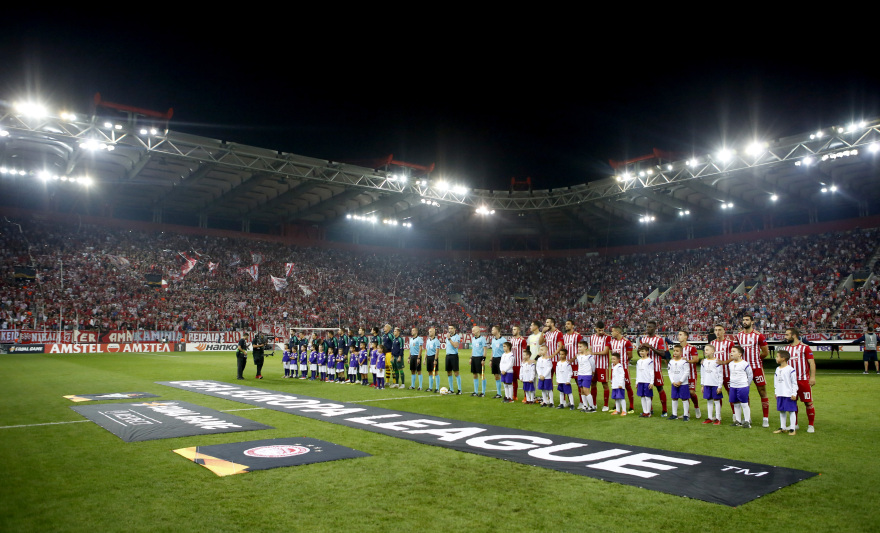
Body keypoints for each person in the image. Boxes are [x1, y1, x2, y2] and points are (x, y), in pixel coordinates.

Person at [736, 313, 771, 428]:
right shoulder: (739, 335)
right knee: (745, 394)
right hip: (744, 370)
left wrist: (756, 360)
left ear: (752, 322)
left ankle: (765, 418)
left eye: (747, 320)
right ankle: (748, 417)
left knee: (762, 391)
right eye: (743, 320)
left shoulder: (758, 335)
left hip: (756, 368)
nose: (745, 322)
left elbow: (765, 352)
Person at [784, 327, 817, 433]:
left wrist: (812, 377)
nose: (785, 337)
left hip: (803, 380)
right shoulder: (786, 349)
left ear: (794, 335)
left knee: (808, 403)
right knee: (792, 403)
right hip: (790, 381)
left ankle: (811, 425)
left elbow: (811, 362)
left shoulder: (805, 348)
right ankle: (795, 424)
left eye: (787, 335)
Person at [639, 320, 669, 417]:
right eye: (647, 326)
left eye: (650, 327)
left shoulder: (659, 339)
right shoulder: (643, 339)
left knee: (659, 388)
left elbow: (663, 353)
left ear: (655, 328)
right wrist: (639, 349)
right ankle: (649, 410)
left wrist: (651, 347)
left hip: (656, 368)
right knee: (647, 389)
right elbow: (639, 354)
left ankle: (664, 411)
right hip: (645, 369)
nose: (648, 329)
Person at [710, 324, 736, 416]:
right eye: (716, 330)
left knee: (731, 394)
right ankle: (718, 415)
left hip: (728, 373)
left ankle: (735, 414)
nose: (718, 332)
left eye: (720, 330)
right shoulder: (712, 343)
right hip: (716, 374)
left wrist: (724, 362)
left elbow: (733, 357)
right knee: (716, 395)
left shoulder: (729, 343)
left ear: (724, 331)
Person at [610, 325, 635, 413]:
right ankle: (616, 406)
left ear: (617, 332)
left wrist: (624, 362)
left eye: (612, 331)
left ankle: (631, 406)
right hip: (614, 368)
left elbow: (630, 355)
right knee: (615, 385)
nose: (611, 333)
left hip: (623, 367)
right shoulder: (612, 342)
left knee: (627, 386)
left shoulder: (626, 342)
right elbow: (611, 353)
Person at [589, 321, 613, 411]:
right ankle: (594, 404)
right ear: (596, 329)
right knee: (593, 384)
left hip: (603, 365)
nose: (601, 332)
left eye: (602, 330)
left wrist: (593, 353)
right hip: (593, 365)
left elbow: (606, 351)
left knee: (605, 384)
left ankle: (606, 405)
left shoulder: (607, 337)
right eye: (599, 330)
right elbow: (590, 349)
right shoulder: (592, 337)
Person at [773, 350, 798, 435]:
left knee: (791, 411)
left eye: (777, 356)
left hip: (788, 393)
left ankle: (792, 428)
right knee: (782, 411)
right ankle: (782, 427)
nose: (776, 358)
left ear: (783, 358)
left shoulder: (790, 369)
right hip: (780, 393)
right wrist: (776, 391)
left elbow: (794, 382)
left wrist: (794, 393)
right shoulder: (777, 369)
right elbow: (776, 382)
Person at [678, 330, 701, 418]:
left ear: (686, 337)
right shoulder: (678, 348)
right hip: (681, 375)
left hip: (691, 374)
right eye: (678, 335)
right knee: (684, 393)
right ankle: (686, 413)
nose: (679, 336)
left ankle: (696, 408)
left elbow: (696, 360)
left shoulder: (691, 348)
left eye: (681, 335)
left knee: (691, 392)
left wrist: (687, 360)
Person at [728, 346, 753, 428]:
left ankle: (747, 421)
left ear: (739, 354)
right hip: (733, 386)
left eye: (734, 351)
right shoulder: (730, 364)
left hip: (742, 386)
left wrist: (746, 384)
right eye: (731, 351)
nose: (731, 353)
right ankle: (738, 421)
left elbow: (750, 375)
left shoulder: (745, 364)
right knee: (735, 404)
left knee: (744, 403)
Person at [700, 344, 723, 425]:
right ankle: (710, 418)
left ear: (712, 351)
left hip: (715, 384)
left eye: (707, 350)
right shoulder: (704, 362)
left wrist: (720, 386)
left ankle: (718, 418)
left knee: (716, 401)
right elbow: (702, 374)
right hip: (707, 384)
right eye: (705, 350)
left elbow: (720, 375)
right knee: (709, 401)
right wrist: (702, 385)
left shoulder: (717, 362)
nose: (705, 351)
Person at [667, 345, 690, 421]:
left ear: (681, 352)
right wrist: (673, 382)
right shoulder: (671, 361)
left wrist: (680, 381)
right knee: (674, 398)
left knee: (684, 398)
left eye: (677, 351)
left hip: (683, 383)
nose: (675, 352)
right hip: (674, 383)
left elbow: (687, 372)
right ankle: (674, 414)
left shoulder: (684, 362)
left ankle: (686, 415)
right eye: (674, 351)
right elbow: (669, 372)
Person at [576, 340, 596, 413]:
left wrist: (593, 372)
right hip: (580, 374)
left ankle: (592, 407)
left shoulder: (589, 356)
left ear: (585, 348)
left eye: (580, 347)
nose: (579, 348)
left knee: (586, 390)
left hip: (587, 374)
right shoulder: (578, 356)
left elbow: (593, 364)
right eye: (578, 346)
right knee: (582, 391)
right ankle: (585, 406)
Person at [509, 325, 528, 402]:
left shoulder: (522, 340)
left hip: (520, 364)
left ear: (518, 331)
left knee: (523, 380)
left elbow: (524, 351)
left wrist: (524, 361)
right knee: (513, 381)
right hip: (512, 364)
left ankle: (526, 396)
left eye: (515, 329)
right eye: (512, 329)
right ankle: (514, 396)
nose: (513, 331)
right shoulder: (511, 340)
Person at [635, 345, 654, 417]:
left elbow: (651, 371)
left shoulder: (649, 361)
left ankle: (648, 412)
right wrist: (637, 382)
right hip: (640, 381)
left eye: (643, 351)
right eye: (640, 351)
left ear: (647, 352)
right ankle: (644, 411)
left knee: (647, 397)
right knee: (642, 396)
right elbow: (637, 372)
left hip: (647, 381)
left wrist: (651, 382)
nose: (641, 353)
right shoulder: (639, 361)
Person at [490, 325, 507, 399]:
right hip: (494, 359)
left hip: (501, 359)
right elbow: (492, 351)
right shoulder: (493, 340)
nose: (492, 331)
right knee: (496, 376)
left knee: (503, 376)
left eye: (493, 330)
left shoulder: (503, 340)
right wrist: (491, 359)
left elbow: (506, 351)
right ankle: (499, 393)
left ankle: (507, 394)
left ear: (497, 331)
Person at [470, 326, 487, 396]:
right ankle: (475, 392)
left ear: (478, 331)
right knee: (474, 375)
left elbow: (485, 349)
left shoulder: (482, 339)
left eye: (473, 330)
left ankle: (483, 392)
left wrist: (483, 359)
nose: (472, 332)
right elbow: (473, 349)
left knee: (481, 375)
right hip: (474, 358)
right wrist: (471, 358)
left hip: (480, 358)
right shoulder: (473, 339)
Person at [445, 325, 462, 395]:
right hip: (448, 355)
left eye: (452, 328)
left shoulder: (457, 337)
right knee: (449, 373)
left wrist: (449, 339)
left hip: (454, 356)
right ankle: (451, 389)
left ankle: (459, 389)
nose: (450, 330)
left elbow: (455, 345)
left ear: (454, 329)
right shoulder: (448, 337)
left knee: (456, 373)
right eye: (449, 328)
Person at [425, 327, 441, 393]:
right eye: (429, 331)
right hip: (428, 357)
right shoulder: (428, 340)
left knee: (435, 372)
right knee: (429, 373)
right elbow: (426, 350)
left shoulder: (436, 341)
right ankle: (430, 387)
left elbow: (437, 351)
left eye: (431, 331)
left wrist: (435, 359)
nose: (429, 332)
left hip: (433, 357)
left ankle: (437, 388)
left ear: (434, 332)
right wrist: (424, 359)